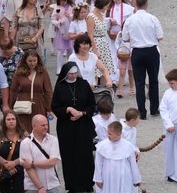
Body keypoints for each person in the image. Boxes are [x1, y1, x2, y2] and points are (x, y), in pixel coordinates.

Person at [51, 61, 96, 193]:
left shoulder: (84, 84)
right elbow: (55, 107)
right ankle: (72, 186)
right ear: (65, 74)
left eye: (75, 73)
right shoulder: (60, 87)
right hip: (66, 126)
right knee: (69, 155)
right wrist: (68, 109)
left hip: (84, 125)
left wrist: (81, 113)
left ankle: (88, 184)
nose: (73, 76)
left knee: (85, 155)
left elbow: (92, 105)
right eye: (70, 73)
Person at [122, 0, 163, 120]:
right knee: (153, 81)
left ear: (135, 4)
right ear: (146, 4)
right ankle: (154, 108)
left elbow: (125, 38)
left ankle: (142, 111)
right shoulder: (153, 18)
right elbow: (160, 36)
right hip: (151, 50)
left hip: (137, 51)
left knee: (139, 82)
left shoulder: (130, 20)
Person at [93, 120, 142, 192]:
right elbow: (98, 163)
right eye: (108, 133)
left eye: (110, 134)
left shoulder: (128, 146)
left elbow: (133, 164)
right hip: (107, 177)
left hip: (124, 177)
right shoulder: (102, 146)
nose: (108, 135)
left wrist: (136, 179)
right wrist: (98, 178)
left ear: (119, 134)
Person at [19, 115, 61, 193]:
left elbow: (53, 162)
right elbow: (28, 169)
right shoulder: (25, 143)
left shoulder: (53, 140)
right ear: (34, 126)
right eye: (43, 125)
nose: (46, 127)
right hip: (32, 188)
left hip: (53, 185)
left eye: (47, 124)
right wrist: (40, 187)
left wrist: (32, 163)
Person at [87, 0, 116, 84]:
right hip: (95, 44)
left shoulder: (102, 14)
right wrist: (95, 50)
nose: (107, 8)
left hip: (103, 44)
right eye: (106, 6)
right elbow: (90, 35)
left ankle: (104, 92)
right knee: (95, 71)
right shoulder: (91, 17)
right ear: (102, 5)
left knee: (105, 70)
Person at [0, 110, 25, 193]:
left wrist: (14, 163)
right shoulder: (0, 135)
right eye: (8, 119)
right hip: (3, 174)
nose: (11, 121)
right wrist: (5, 163)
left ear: (17, 121)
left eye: (13, 119)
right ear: (4, 122)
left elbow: (29, 153)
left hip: (20, 173)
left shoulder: (24, 135)